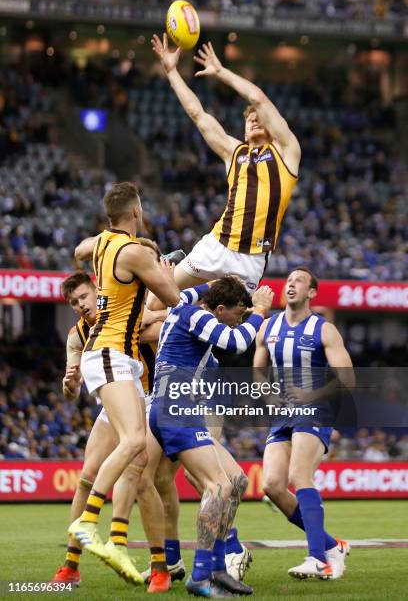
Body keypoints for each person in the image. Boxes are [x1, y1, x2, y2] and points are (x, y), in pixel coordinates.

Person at [68, 182, 179, 593]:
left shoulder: (102, 243)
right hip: (115, 353)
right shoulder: (135, 252)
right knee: (134, 443)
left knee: (137, 463)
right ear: (137, 211)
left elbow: (81, 249)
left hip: (116, 359)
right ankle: (89, 524)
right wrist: (163, 270)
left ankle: (143, 559)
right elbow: (172, 296)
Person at [147, 277, 274, 597]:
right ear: (219, 309)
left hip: (175, 406)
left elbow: (189, 291)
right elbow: (236, 342)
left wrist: (215, 281)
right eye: (238, 313)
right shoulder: (198, 316)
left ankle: (217, 568)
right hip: (177, 408)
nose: (240, 319)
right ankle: (202, 573)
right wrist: (258, 311)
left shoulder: (183, 305)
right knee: (217, 486)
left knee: (236, 482)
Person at [149, 34, 300, 297]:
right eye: (248, 118)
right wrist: (172, 72)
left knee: (233, 331)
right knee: (155, 301)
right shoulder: (234, 152)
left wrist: (221, 72)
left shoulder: (286, 152)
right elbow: (198, 115)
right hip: (217, 246)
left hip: (251, 260)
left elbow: (259, 98)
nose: (253, 119)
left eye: (258, 118)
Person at [52, 269, 167, 589]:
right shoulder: (77, 336)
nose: (80, 305)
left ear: (97, 292)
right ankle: (70, 567)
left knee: (143, 479)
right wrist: (70, 384)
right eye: (74, 303)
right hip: (115, 398)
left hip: (148, 397)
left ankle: (160, 567)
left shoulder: (121, 310)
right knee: (86, 476)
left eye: (84, 297)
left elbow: (158, 324)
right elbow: (71, 391)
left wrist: (155, 317)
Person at [253, 267, 354, 579]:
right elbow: (257, 373)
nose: (291, 284)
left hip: (315, 410)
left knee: (299, 476)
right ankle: (331, 545)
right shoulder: (267, 327)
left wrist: (312, 394)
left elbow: (348, 378)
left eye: (299, 281)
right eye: (288, 280)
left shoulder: (323, 330)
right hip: (281, 414)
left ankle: (317, 558)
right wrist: (269, 398)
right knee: (272, 486)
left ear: (312, 292)